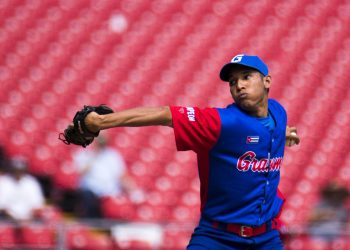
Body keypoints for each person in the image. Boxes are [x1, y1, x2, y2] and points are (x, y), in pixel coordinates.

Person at [67, 54, 300, 249]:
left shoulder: (278, 114)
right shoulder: (221, 122)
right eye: (232, 82)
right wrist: (101, 122)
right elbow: (165, 114)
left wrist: (283, 135)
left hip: (266, 238)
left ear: (267, 81)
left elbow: (268, 128)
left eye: (246, 77)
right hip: (218, 238)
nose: (238, 85)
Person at [73, 135, 140, 218]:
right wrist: (94, 155)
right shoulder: (84, 153)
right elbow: (80, 172)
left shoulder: (112, 155)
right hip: (91, 192)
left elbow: (121, 175)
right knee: (88, 197)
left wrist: (133, 190)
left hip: (110, 193)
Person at [0, 156, 45, 221]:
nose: (18, 173)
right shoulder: (4, 181)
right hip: (6, 219)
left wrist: (28, 218)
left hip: (29, 219)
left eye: (20, 170)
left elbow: (37, 204)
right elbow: (2, 206)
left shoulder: (31, 182)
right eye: (16, 170)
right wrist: (13, 218)